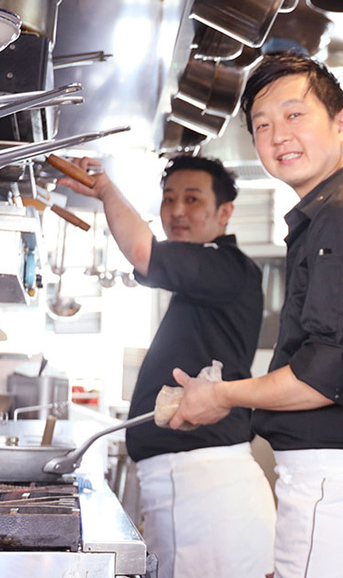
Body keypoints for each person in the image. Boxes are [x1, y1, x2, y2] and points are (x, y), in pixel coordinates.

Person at [166, 53, 343, 578]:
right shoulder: (329, 217)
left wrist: (221, 395)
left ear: (342, 124)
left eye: (295, 115)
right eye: (262, 125)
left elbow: (323, 378)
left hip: (341, 491)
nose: (277, 135)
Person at [56, 154, 275, 578]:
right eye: (169, 198)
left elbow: (143, 252)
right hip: (188, 489)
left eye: (193, 199)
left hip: (209, 493)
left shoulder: (227, 267)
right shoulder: (205, 278)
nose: (176, 211)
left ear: (224, 212)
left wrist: (105, 189)